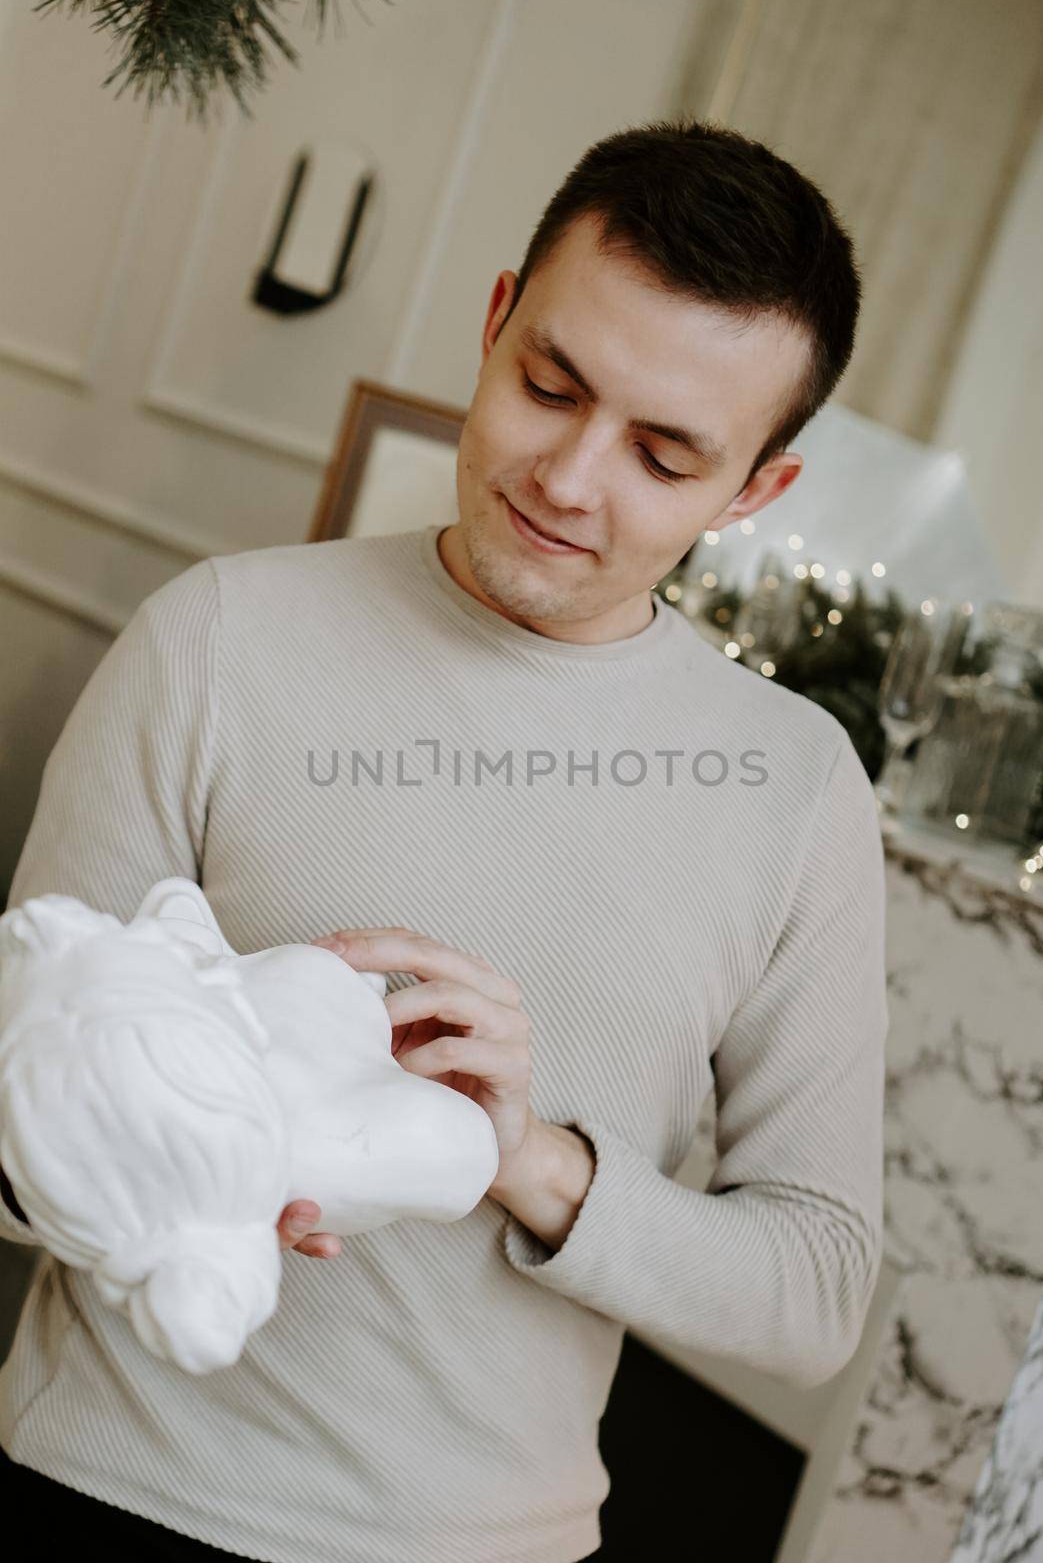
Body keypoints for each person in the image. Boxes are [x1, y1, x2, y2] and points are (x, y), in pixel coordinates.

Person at [0, 118, 888, 1563]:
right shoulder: (218, 639)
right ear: (494, 324)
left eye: (666, 455)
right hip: (99, 1490)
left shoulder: (796, 790)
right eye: (550, 384)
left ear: (755, 494)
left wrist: (531, 1163)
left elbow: (816, 1287)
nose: (570, 477)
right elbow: (9, 1102)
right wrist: (201, 1141)